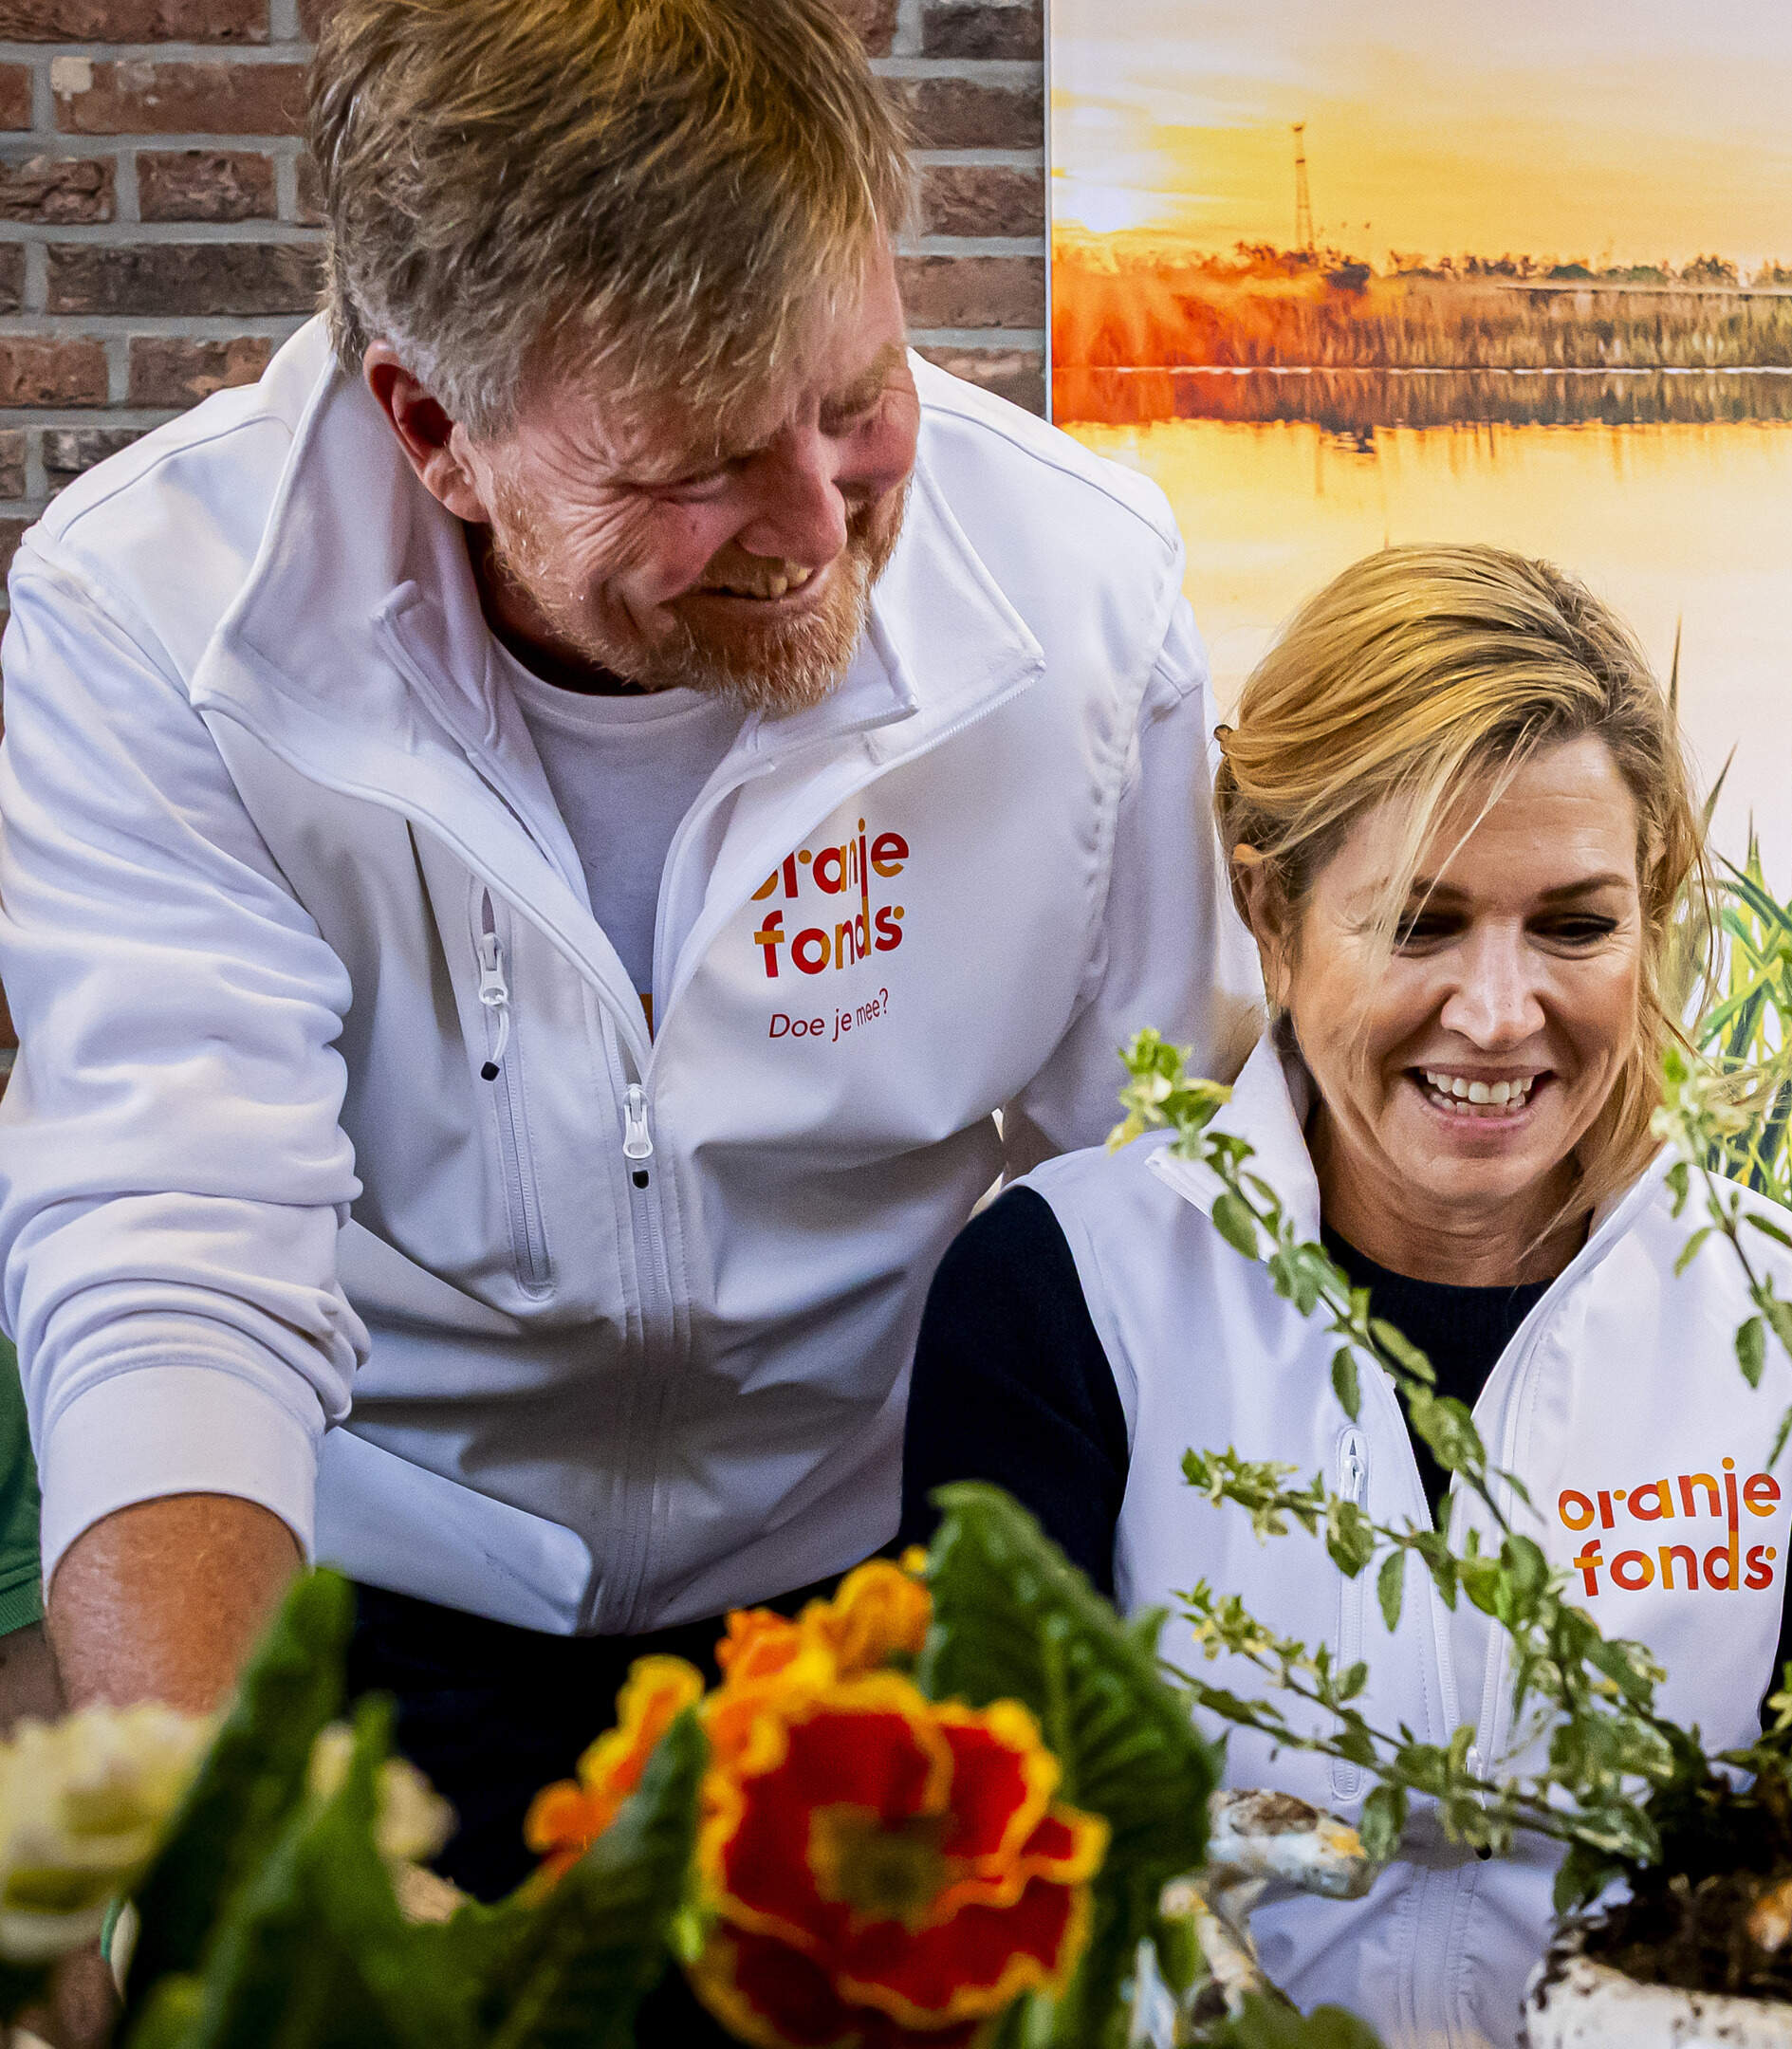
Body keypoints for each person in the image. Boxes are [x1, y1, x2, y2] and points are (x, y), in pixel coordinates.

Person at [0, 0, 1263, 1907]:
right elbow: (172, 1262)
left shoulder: (1083, 598)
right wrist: (215, 1852)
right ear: (433, 425)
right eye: (697, 465)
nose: (821, 526)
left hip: (883, 1612)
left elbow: (1180, 1218)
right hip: (367, 1626)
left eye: (856, 400)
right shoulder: (153, 622)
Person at [901, 544, 1792, 2049]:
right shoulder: (1062, 1297)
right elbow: (989, 1877)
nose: (1499, 1015)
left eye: (1576, 925)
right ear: (1274, 913)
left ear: (1657, 909)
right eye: (1420, 924)